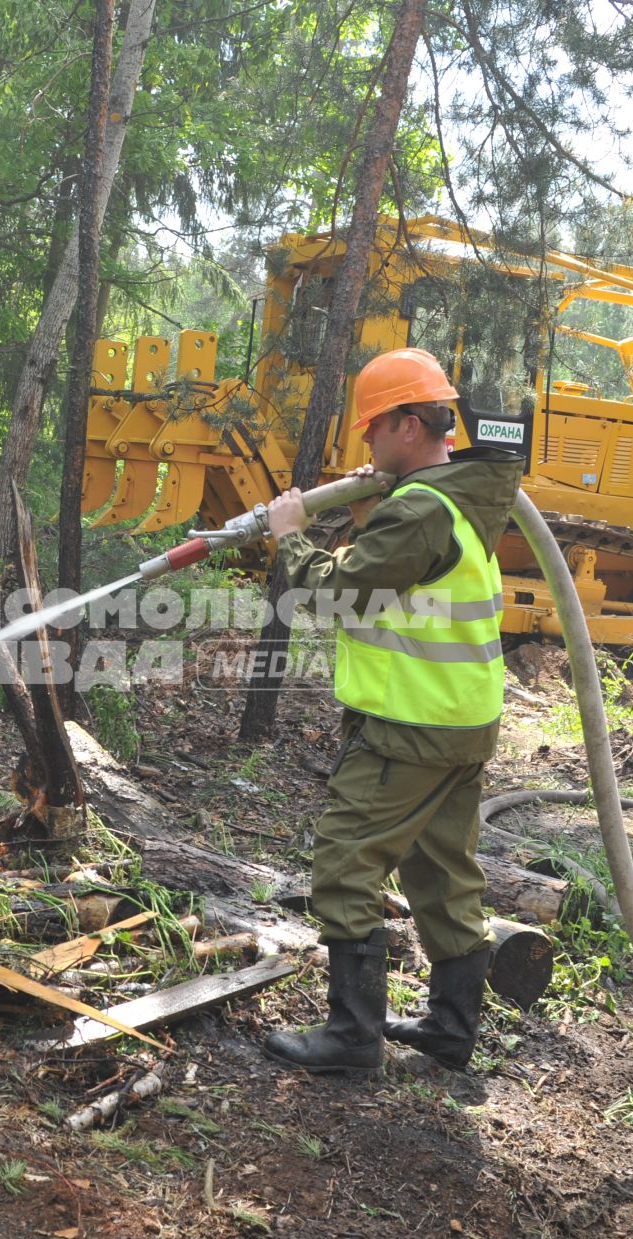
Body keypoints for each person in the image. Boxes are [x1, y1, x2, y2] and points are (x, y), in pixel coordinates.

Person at [261, 347, 524, 1073]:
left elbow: (335, 593)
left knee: (346, 864)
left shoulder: (419, 510)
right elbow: (403, 577)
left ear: (410, 425)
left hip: (407, 726)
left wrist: (292, 533)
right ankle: (449, 1030)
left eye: (373, 428)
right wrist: (364, 507)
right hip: (461, 721)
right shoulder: (461, 495)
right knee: (443, 874)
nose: (366, 444)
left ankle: (351, 1040)